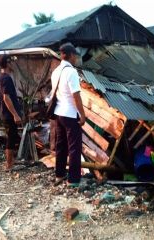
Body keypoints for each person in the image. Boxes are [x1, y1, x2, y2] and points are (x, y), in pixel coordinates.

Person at [51, 42, 86, 187]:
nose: (76, 59)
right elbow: (76, 95)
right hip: (70, 114)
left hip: (59, 113)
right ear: (71, 55)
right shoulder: (71, 72)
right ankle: (73, 180)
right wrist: (82, 115)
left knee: (61, 145)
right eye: (76, 56)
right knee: (74, 147)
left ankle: (59, 175)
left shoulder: (56, 71)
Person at [0, 55, 22, 171]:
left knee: (12, 137)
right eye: (11, 62)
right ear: (7, 63)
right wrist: (15, 114)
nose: (13, 64)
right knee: (11, 138)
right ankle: (9, 165)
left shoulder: (1, 77)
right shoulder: (6, 78)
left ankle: (11, 161)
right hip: (8, 114)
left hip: (6, 113)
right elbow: (6, 98)